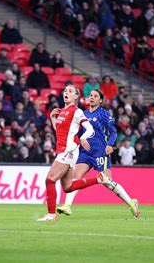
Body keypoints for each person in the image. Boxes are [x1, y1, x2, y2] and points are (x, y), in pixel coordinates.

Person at [57, 90, 140, 218]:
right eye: (91, 96)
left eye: (95, 96)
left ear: (101, 100)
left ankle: (131, 202)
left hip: (100, 152)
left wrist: (109, 145)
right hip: (85, 152)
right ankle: (67, 206)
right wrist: (76, 142)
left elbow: (113, 132)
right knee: (76, 177)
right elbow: (78, 134)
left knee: (107, 182)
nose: (92, 98)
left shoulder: (103, 114)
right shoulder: (83, 114)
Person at [37, 85, 110, 222]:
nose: (66, 93)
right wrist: (53, 118)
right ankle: (99, 179)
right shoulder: (62, 111)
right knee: (68, 187)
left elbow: (89, 129)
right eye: (65, 91)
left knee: (50, 180)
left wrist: (82, 138)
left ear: (76, 96)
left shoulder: (76, 111)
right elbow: (59, 131)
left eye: (70, 91)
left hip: (68, 150)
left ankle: (51, 215)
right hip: (63, 150)